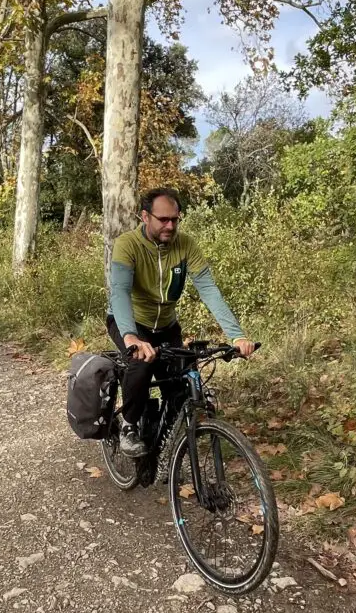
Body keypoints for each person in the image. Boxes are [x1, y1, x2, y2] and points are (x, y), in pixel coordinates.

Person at [107, 188, 256, 456]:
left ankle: (168, 451)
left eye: (175, 219)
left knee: (179, 386)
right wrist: (130, 336)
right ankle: (128, 426)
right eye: (163, 219)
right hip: (130, 321)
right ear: (145, 216)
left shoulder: (186, 245)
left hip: (166, 325)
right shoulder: (127, 244)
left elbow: (208, 290)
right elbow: (119, 291)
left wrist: (237, 335)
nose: (170, 225)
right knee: (141, 363)